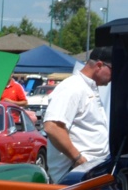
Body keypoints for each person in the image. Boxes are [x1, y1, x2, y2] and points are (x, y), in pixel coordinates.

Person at [43, 46, 114, 182]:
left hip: (88, 170)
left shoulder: (88, 88)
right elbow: (52, 127)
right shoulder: (72, 87)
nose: (113, 77)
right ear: (99, 65)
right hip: (74, 174)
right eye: (113, 70)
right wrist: (78, 159)